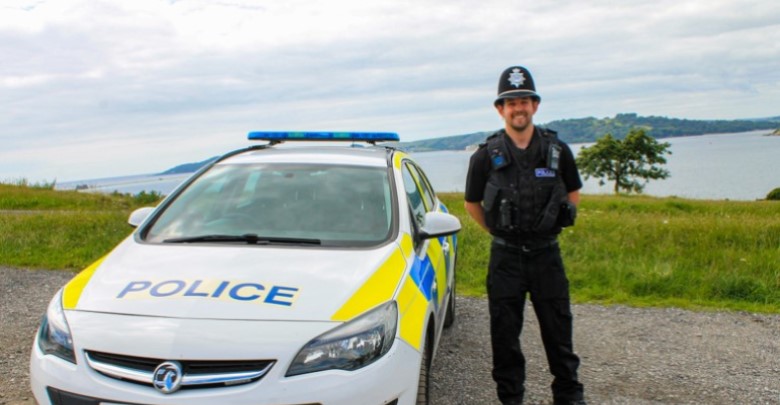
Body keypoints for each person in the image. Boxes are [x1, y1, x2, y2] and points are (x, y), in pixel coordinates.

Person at [463, 66, 586, 405]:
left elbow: (573, 192)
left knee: (559, 334)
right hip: (506, 259)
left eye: (524, 101)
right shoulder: (485, 156)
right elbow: (472, 203)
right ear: (500, 109)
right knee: (505, 338)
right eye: (511, 102)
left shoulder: (557, 150)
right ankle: (511, 400)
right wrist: (500, 232)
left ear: (535, 105)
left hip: (548, 255)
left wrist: (554, 223)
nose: (518, 108)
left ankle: (569, 397)